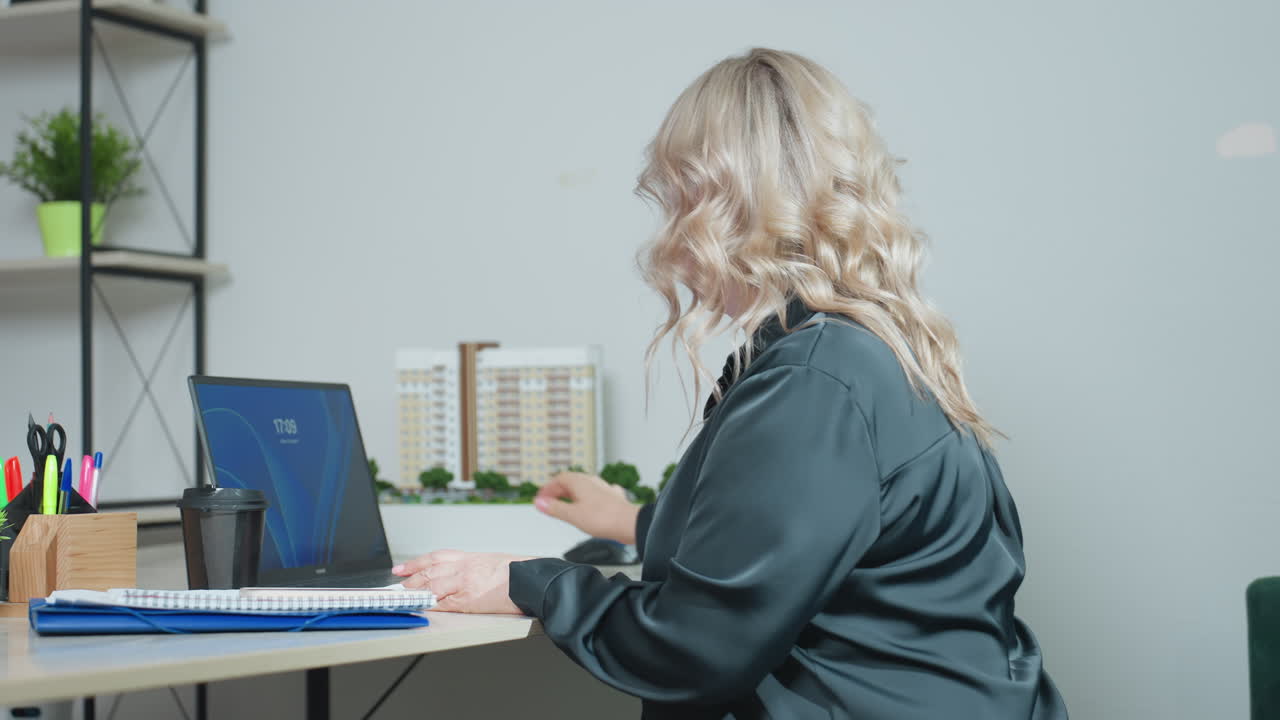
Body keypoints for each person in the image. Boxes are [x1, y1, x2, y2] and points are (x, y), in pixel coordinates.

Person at [394, 48, 1068, 719]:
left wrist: (525, 582)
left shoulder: (815, 380)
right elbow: (805, 532)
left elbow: (692, 646)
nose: (670, 235)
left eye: (676, 200)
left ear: (722, 203)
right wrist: (629, 520)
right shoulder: (863, 350)